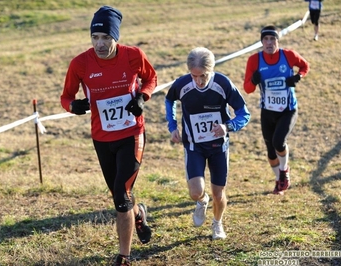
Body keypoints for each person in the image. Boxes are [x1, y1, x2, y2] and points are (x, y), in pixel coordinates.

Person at [60, 6, 157, 266]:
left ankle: (124, 256)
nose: (100, 44)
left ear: (116, 38)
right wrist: (74, 106)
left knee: (119, 196)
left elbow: (151, 78)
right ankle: (139, 215)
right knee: (121, 194)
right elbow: (65, 97)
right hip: (102, 138)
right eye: (95, 38)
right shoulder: (80, 63)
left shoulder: (133, 55)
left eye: (106, 38)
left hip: (131, 134)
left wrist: (141, 97)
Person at [165, 47, 250, 240]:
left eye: (203, 76)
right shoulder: (183, 84)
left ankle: (217, 224)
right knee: (195, 192)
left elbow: (244, 113)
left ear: (211, 70)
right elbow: (169, 100)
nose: (198, 81)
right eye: (194, 76)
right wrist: (172, 125)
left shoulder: (222, 83)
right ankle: (202, 202)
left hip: (218, 147)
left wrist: (228, 126)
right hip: (194, 145)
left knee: (218, 193)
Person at [243, 25, 310, 195]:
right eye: (265, 39)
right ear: (261, 42)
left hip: (288, 109)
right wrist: (253, 80)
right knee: (271, 152)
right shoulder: (254, 60)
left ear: (277, 41)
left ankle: (284, 170)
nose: (269, 42)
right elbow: (248, 89)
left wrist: (298, 77)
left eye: (272, 39)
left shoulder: (288, 55)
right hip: (267, 111)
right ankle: (279, 181)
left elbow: (305, 66)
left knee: (278, 142)